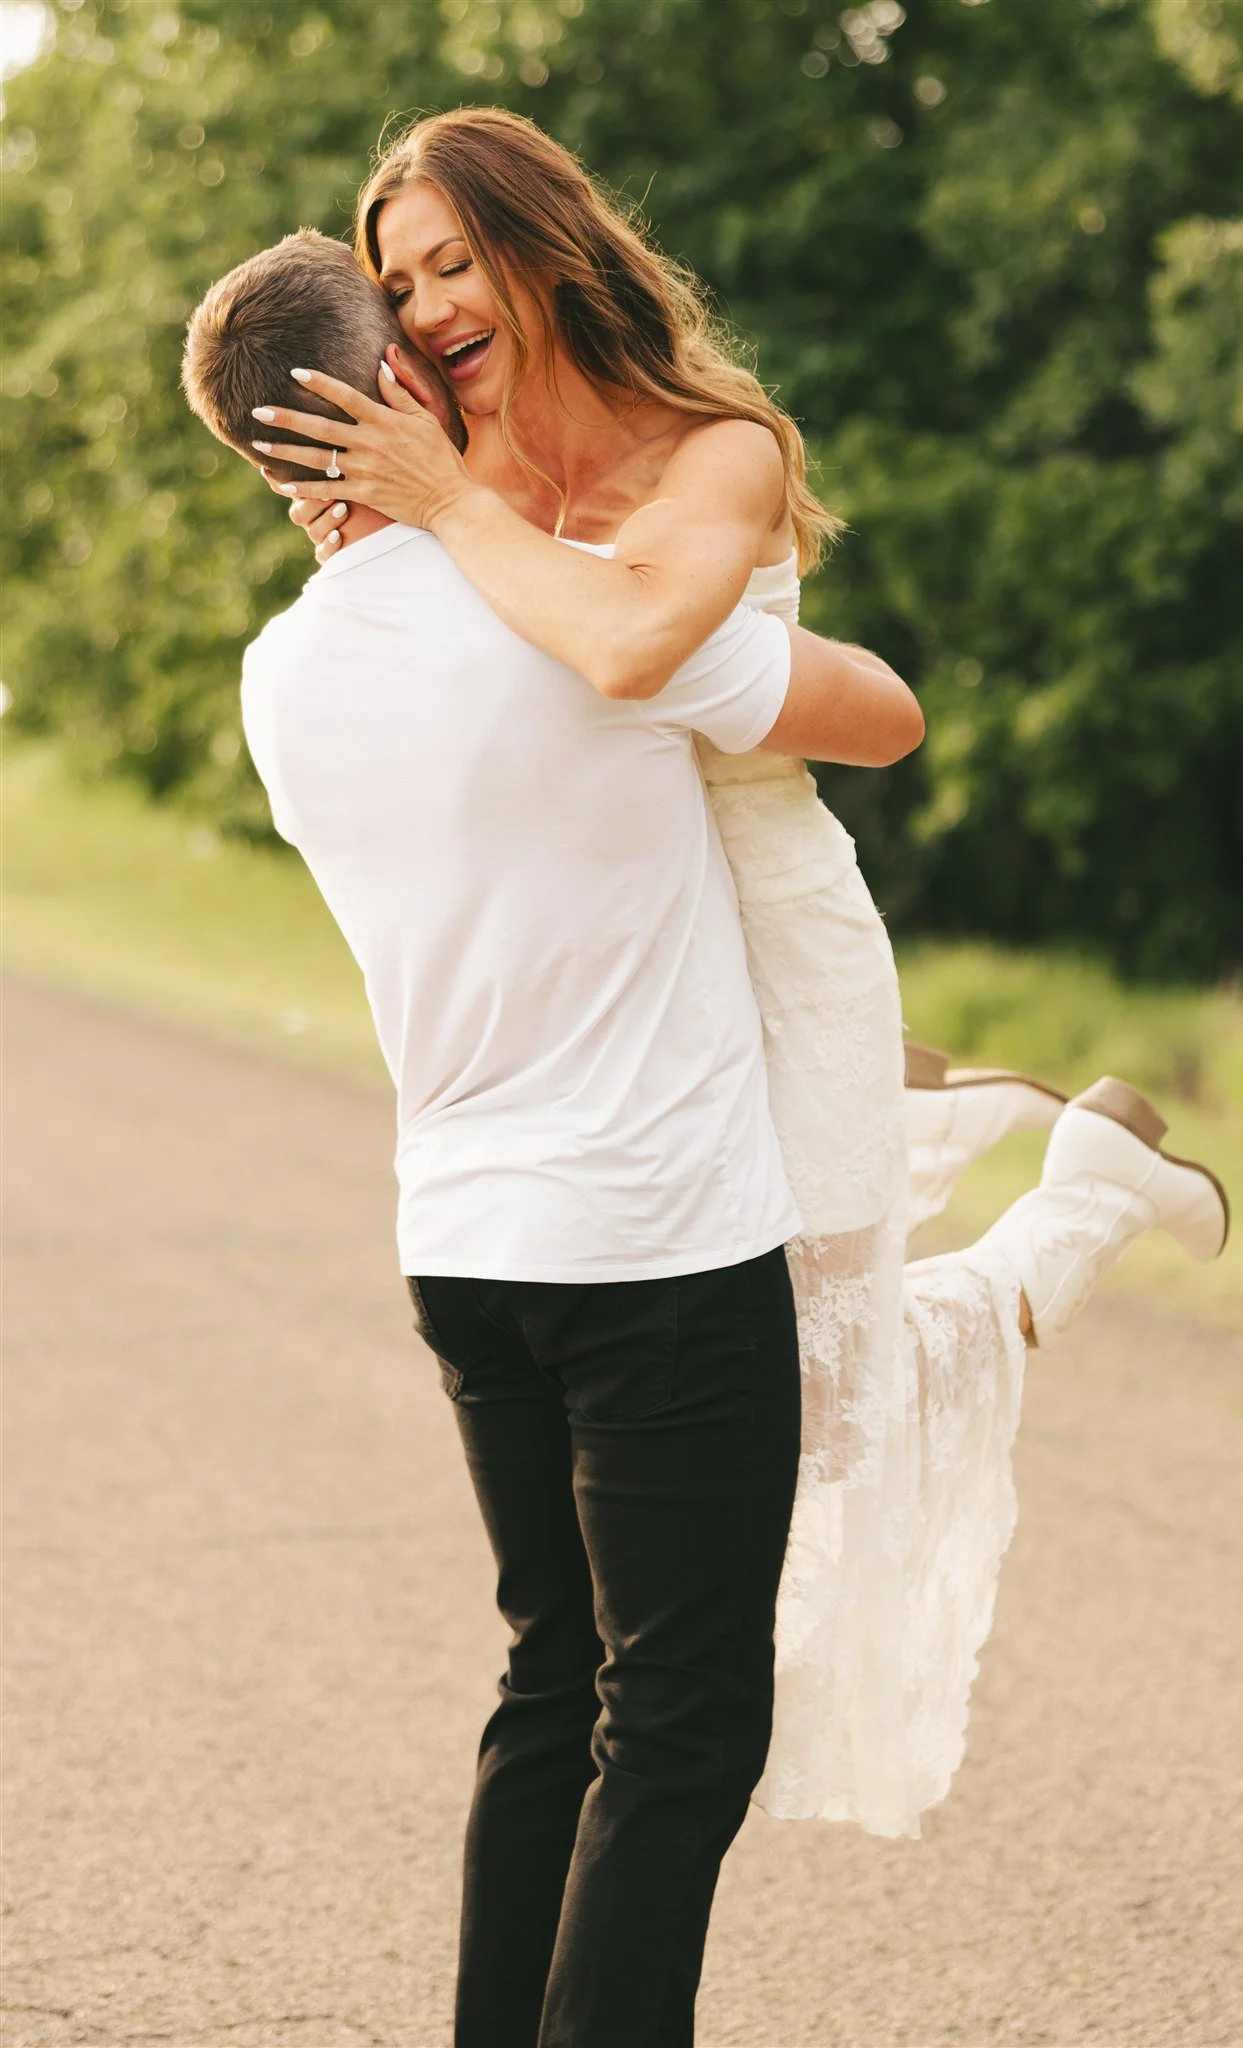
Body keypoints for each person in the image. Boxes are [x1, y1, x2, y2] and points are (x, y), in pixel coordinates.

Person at [249, 110, 1230, 1840]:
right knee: (772, 1460)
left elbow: (652, 653)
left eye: (453, 262)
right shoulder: (459, 494)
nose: (426, 309)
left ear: (542, 249)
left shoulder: (700, 456)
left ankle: (1054, 1191)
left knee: (831, 1432)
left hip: (764, 942)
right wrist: (423, 542)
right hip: (642, 970)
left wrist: (457, 528)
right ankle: (1012, 1163)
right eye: (397, 287)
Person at [181, 227, 926, 2048]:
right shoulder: (581, 624)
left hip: (464, 1242)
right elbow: (883, 717)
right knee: (678, 1728)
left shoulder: (281, 682)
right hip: (657, 1245)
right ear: (404, 397)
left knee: (552, 1686)